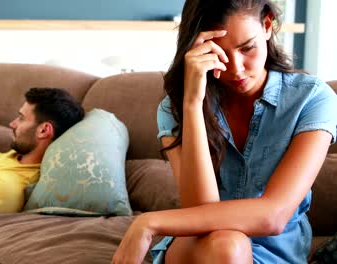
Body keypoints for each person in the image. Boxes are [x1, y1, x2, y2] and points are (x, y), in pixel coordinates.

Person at [112, 0, 337, 263]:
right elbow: (199, 211)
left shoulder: (312, 99)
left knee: (230, 246)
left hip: (278, 255)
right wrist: (193, 103)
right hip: (201, 250)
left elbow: (274, 215)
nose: (235, 69)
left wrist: (149, 223)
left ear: (266, 25)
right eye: (218, 54)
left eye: (247, 48)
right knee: (227, 246)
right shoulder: (174, 108)